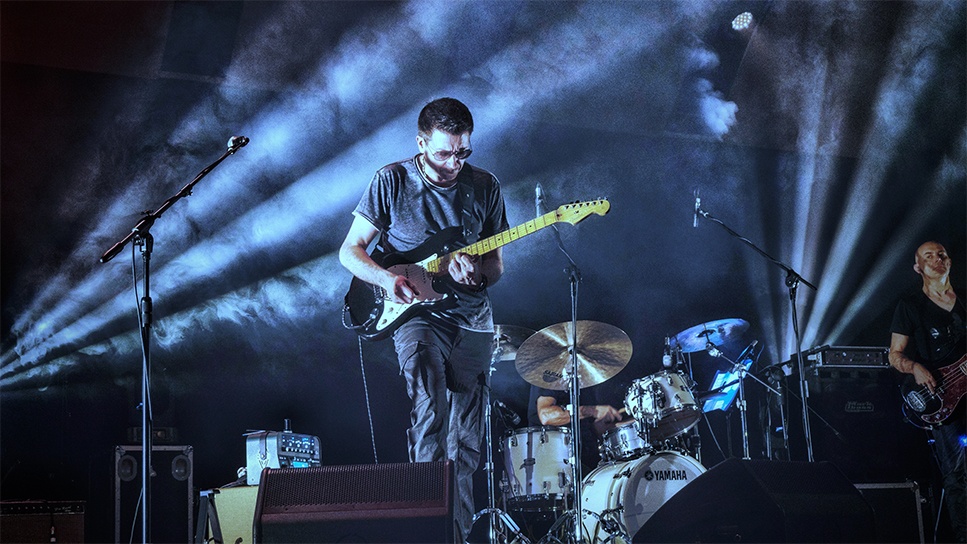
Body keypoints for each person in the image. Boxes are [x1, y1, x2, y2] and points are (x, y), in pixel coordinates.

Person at [339, 97, 509, 543]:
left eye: (463, 152)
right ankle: (427, 531)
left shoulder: (484, 186)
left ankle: (458, 537)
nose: (454, 163)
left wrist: (478, 274)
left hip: (472, 320)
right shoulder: (391, 180)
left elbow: (495, 264)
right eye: (444, 153)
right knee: (429, 409)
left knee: (466, 443)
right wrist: (387, 278)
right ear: (421, 143)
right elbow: (350, 250)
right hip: (417, 313)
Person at [889, 240, 966, 543]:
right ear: (918, 267)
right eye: (929, 256)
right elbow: (894, 355)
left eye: (942, 254)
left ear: (950, 261)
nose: (937, 259)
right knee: (957, 474)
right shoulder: (910, 306)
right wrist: (915, 368)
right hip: (943, 399)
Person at [528, 385, 624, 468]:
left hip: (589, 458)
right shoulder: (552, 375)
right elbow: (546, 416)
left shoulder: (589, 380)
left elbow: (591, 427)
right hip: (554, 460)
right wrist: (593, 411)